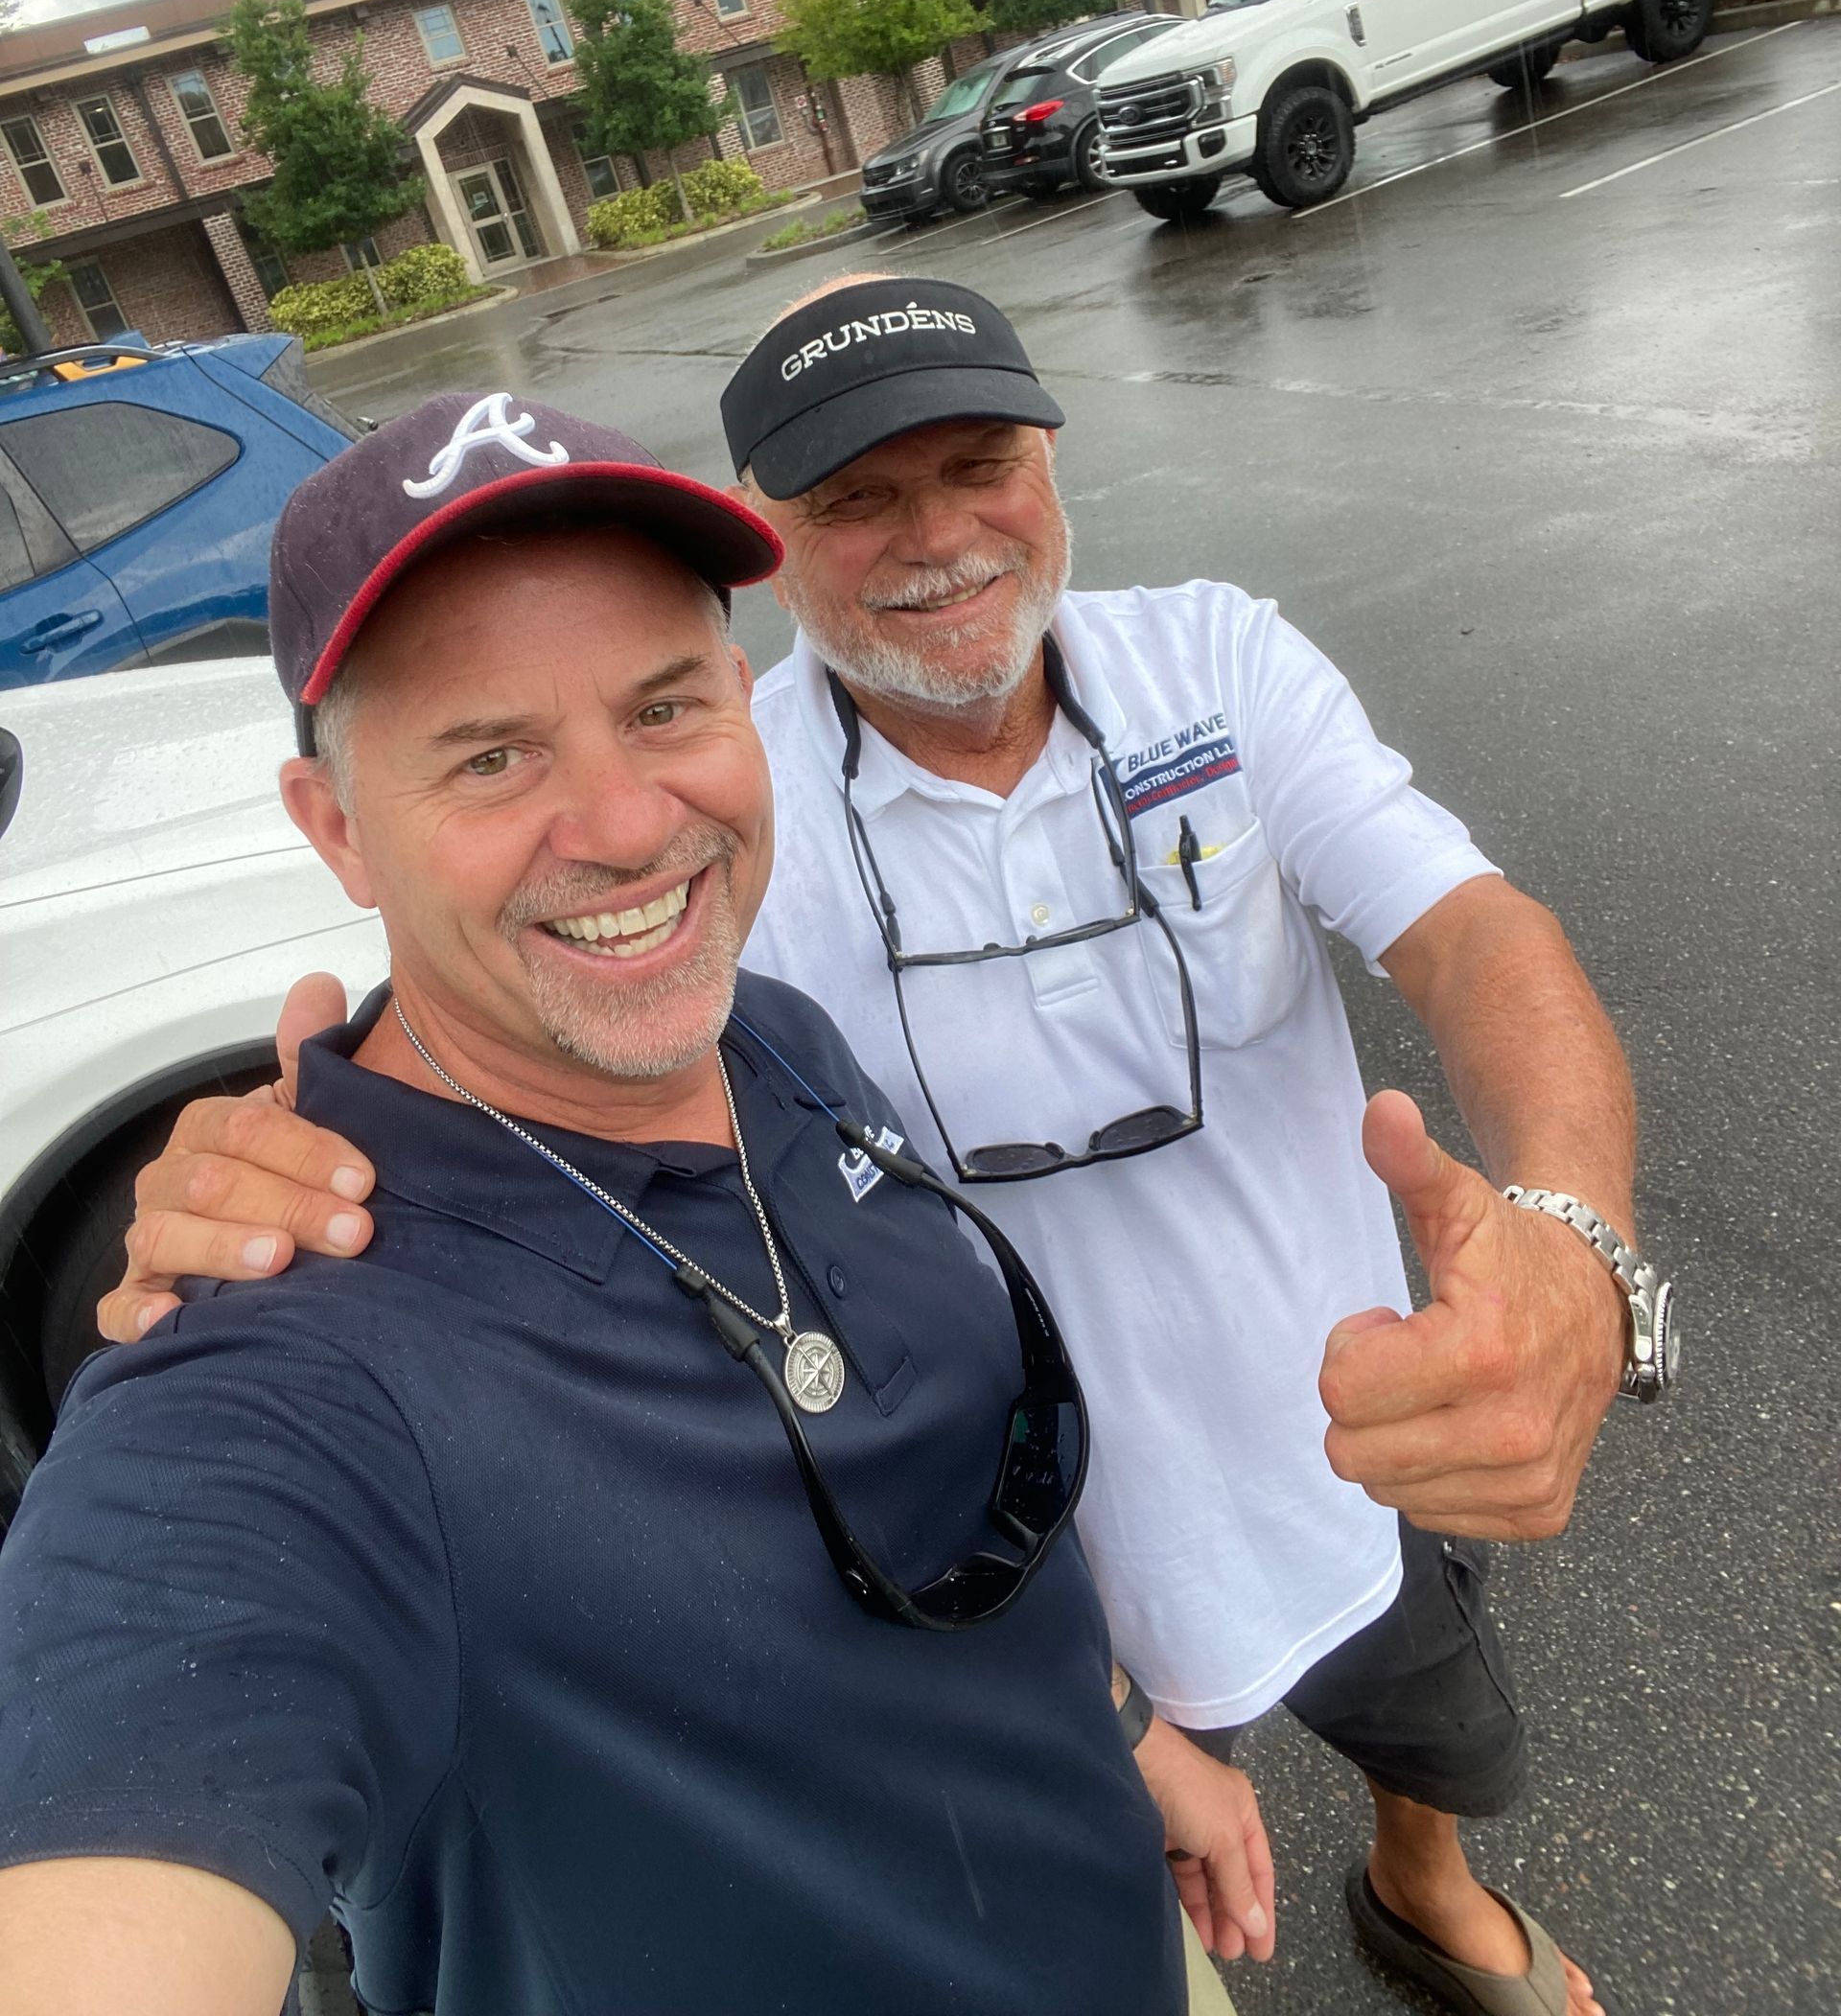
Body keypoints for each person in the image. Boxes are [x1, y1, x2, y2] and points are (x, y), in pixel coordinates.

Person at [119, 279, 1677, 2016]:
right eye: (858, 496)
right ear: (776, 541)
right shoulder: (731, 808)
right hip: (1020, 1551)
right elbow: (519, 1040)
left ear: (1053, 461)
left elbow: (1476, 938)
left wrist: (1568, 1237)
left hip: (1346, 1428)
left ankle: (1418, 1881)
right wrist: (312, 1170)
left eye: (979, 461)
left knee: (1435, 1727)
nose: (937, 536)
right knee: (1118, 1825)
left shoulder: (1213, 665)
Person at [0, 394, 1271, 2016]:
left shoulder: (774, 1040)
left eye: (664, 708)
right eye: (492, 754)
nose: (623, 826)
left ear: (743, 703)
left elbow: (917, 1491)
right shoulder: (283, 1395)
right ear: (337, 833)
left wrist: (1125, 1731)